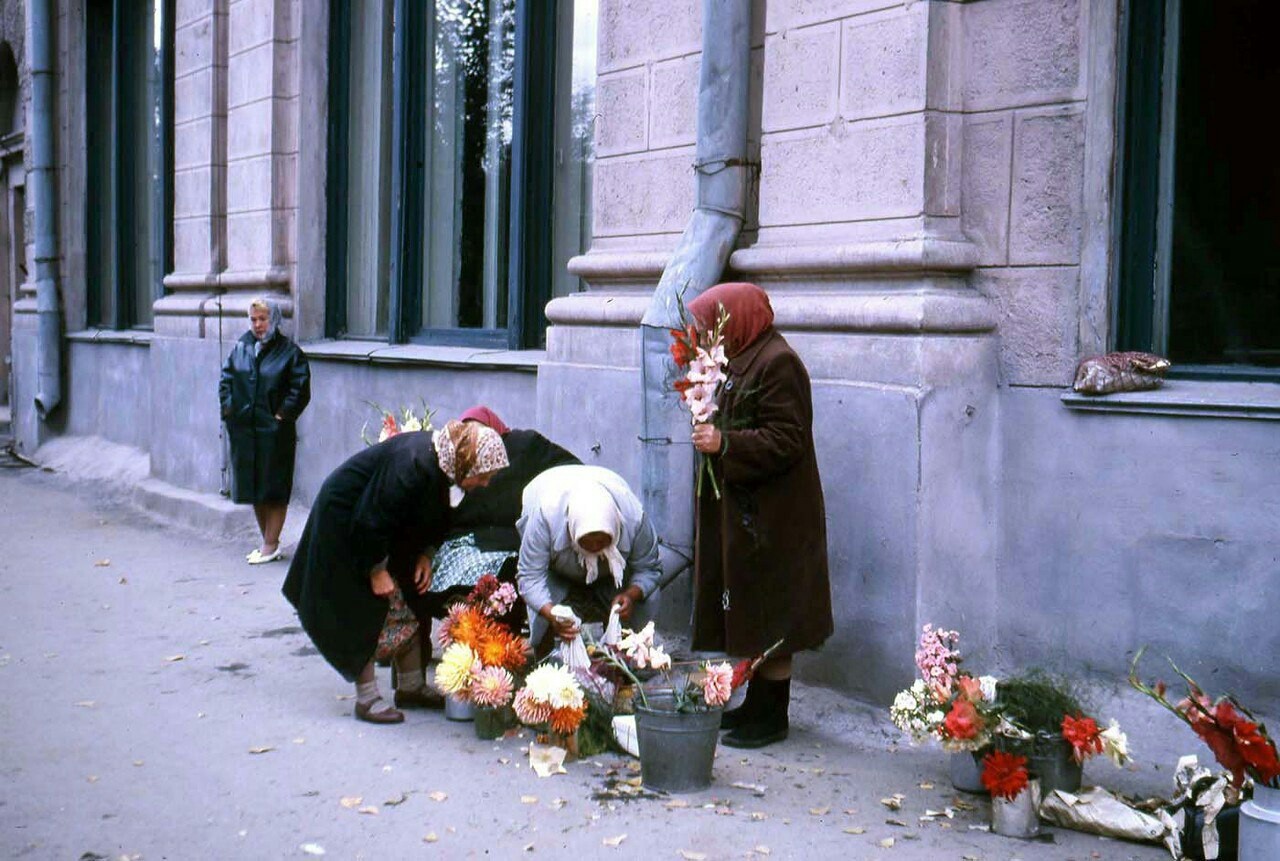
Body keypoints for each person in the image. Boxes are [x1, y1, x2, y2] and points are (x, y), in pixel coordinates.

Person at [282, 420, 508, 724]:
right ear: (467, 463)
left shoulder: (444, 463)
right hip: (346, 521)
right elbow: (370, 518)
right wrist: (376, 569)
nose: (485, 484)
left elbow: (438, 515)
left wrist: (426, 554)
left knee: (410, 593)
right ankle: (367, 698)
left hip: (380, 527)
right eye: (482, 476)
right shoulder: (412, 465)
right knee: (366, 604)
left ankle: (411, 687)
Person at [688, 282, 833, 749]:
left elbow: (788, 437)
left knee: (774, 616)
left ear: (738, 317)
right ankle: (755, 705)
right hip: (749, 511)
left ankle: (772, 717)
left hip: (776, 516)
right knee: (752, 610)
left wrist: (725, 443)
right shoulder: (742, 355)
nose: (707, 334)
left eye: (714, 323)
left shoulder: (778, 362)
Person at [421, 407, 580, 619]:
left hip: (514, 540)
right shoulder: (459, 458)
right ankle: (467, 632)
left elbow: (571, 470)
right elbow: (441, 510)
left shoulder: (526, 445)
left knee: (503, 573)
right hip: (465, 539)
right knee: (436, 574)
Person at [515, 464, 662, 651]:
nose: (593, 548)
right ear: (573, 530)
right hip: (557, 572)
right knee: (544, 619)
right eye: (586, 541)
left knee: (649, 596)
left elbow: (648, 568)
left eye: (601, 541)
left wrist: (630, 595)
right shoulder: (545, 517)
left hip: (612, 575)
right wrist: (552, 614)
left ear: (614, 529)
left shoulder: (634, 519)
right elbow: (530, 577)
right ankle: (544, 653)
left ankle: (638, 652)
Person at [219, 296, 311, 564]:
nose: (258, 325)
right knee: (253, 487)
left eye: (263, 319)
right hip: (245, 432)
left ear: (274, 321)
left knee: (274, 488)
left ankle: (270, 545)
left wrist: (282, 415)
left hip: (274, 434)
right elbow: (226, 380)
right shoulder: (242, 347)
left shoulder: (289, 353)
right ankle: (267, 543)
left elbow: (300, 388)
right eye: (254, 319)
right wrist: (229, 410)